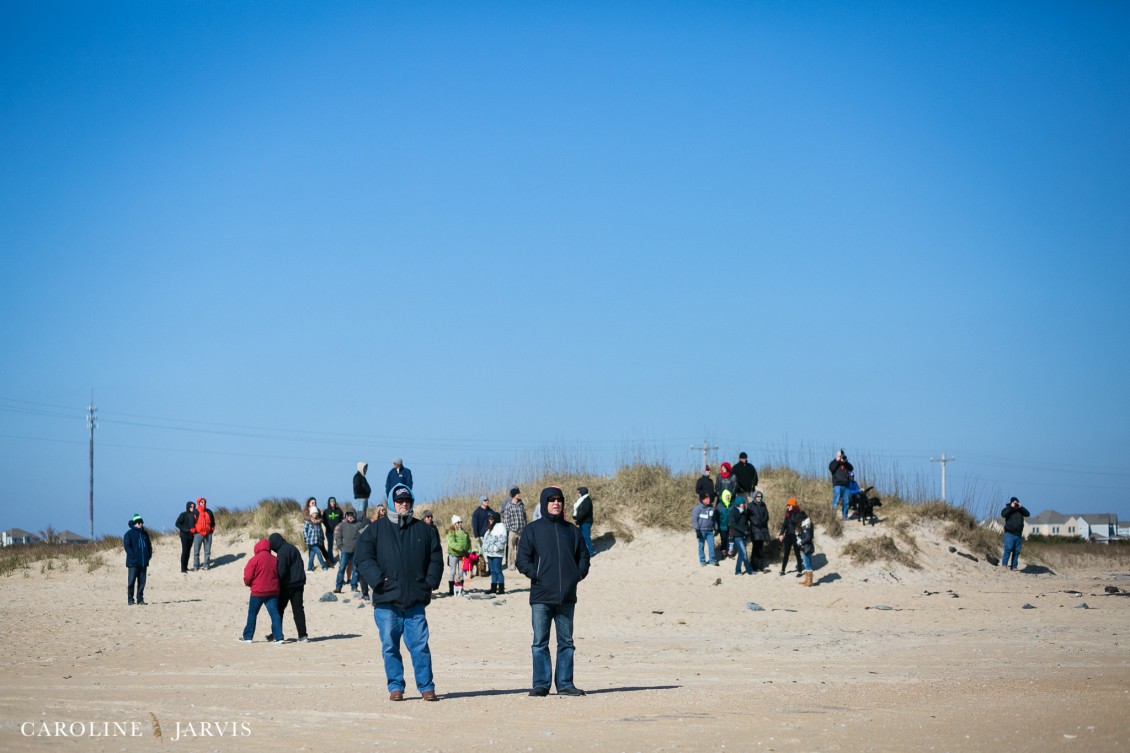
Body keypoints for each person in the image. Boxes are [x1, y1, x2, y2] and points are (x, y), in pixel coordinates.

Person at [354, 483, 444, 702]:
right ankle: (395, 687)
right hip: (386, 599)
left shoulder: (424, 530)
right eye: (399, 500)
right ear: (392, 503)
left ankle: (426, 687)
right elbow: (362, 557)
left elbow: (436, 558)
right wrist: (377, 580)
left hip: (415, 599)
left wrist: (429, 583)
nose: (403, 504)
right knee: (390, 646)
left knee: (420, 646)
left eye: (407, 500)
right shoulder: (376, 529)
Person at [516, 486, 591, 697]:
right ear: (544, 503)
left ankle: (565, 684)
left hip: (566, 596)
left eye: (559, 500)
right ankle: (541, 684)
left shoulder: (572, 531)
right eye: (551, 500)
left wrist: (576, 575)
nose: (556, 503)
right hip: (541, 596)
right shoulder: (532, 530)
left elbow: (584, 557)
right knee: (540, 642)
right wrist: (537, 574)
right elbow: (522, 560)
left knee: (566, 643)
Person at [239, 539, 283, 643]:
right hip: (272, 591)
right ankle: (279, 637)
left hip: (258, 592)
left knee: (252, 614)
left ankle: (248, 637)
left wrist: (249, 584)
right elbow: (280, 574)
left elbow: (248, 576)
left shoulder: (254, 560)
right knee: (274, 614)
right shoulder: (275, 559)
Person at [267, 533, 308, 642]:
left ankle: (275, 634)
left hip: (287, 585)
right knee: (298, 610)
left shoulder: (282, 552)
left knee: (278, 609)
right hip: (299, 583)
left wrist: (276, 582)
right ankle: (302, 635)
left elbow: (281, 571)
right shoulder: (292, 547)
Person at [123, 514, 152, 605]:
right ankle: (130, 600)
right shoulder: (129, 534)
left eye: (141, 522)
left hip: (143, 562)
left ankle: (140, 599)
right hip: (133, 563)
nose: (141, 524)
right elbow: (127, 546)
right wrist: (133, 556)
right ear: (135, 523)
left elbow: (149, 546)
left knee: (142, 582)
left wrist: (148, 556)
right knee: (131, 581)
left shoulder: (145, 534)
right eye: (139, 523)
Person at [333, 508, 364, 594]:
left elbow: (363, 535)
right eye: (348, 515)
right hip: (345, 551)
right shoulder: (342, 525)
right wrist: (340, 546)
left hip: (355, 551)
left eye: (352, 515)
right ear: (346, 516)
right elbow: (338, 536)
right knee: (341, 569)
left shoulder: (359, 524)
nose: (350, 517)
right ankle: (338, 587)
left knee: (355, 570)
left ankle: (354, 587)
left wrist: (360, 547)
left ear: (354, 516)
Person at [1000, 497, 1030, 571]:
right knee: (1008, 549)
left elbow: (1027, 514)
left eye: (1016, 503)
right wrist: (1011, 507)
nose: (1015, 504)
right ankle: (1004, 565)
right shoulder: (1008, 509)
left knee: (1016, 552)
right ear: (1011, 503)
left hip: (1018, 534)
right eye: (1014, 503)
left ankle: (1014, 567)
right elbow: (1003, 514)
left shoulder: (1021, 510)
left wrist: (1021, 507)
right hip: (1009, 533)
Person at [778, 498, 805, 576]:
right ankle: (783, 570)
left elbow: (801, 525)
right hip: (788, 536)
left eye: (789, 505)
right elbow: (784, 525)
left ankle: (799, 571)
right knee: (786, 553)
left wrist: (800, 535)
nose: (787, 507)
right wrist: (781, 534)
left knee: (797, 553)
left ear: (793, 505)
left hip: (795, 536)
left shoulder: (798, 514)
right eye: (787, 505)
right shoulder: (787, 514)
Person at [481, 511, 507, 594]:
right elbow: (486, 539)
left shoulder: (501, 527)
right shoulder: (490, 528)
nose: (490, 520)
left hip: (497, 554)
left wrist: (496, 548)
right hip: (490, 553)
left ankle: (501, 589)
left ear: (495, 519)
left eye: (491, 519)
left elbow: (502, 540)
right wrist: (485, 549)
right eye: (489, 518)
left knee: (498, 570)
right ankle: (493, 588)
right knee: (492, 571)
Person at [726, 497, 754, 575]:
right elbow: (733, 525)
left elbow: (746, 523)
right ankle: (749, 570)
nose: (744, 504)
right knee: (744, 552)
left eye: (744, 503)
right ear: (738, 504)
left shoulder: (744, 512)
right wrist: (743, 531)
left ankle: (737, 571)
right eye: (742, 503)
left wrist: (748, 530)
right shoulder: (733, 512)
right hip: (737, 536)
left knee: (741, 554)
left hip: (745, 535)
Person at [501, 487, 527, 570]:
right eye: (518, 493)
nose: (519, 494)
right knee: (511, 549)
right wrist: (510, 529)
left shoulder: (521, 505)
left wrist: (525, 527)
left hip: (521, 531)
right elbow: (506, 519)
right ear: (514, 495)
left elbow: (524, 517)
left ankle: (520, 564)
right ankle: (511, 565)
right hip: (513, 531)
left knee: (521, 549)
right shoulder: (508, 506)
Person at [445, 516, 471, 597]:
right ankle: (451, 590)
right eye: (458, 522)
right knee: (453, 572)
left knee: (461, 572)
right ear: (454, 523)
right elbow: (452, 543)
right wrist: (461, 549)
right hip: (453, 555)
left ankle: (461, 588)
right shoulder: (451, 532)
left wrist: (468, 551)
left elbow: (468, 542)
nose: (460, 524)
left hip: (462, 555)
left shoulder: (464, 531)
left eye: (460, 522)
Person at [747, 491, 771, 572]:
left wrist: (763, 522)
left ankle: (760, 566)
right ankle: (754, 566)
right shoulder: (750, 505)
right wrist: (756, 523)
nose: (759, 498)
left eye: (760, 497)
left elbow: (766, 516)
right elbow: (749, 516)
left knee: (760, 548)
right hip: (755, 529)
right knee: (755, 548)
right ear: (754, 497)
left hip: (762, 529)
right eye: (757, 496)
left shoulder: (763, 505)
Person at [692, 494, 717, 566]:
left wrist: (716, 528)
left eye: (709, 499)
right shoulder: (697, 509)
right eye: (707, 499)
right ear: (703, 500)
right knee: (701, 546)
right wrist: (697, 530)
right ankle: (702, 561)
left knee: (712, 546)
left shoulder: (711, 508)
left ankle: (712, 560)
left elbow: (714, 519)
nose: (709, 500)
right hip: (701, 531)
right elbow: (694, 520)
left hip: (710, 531)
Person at [829, 450, 855, 521]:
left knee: (846, 502)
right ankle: (833, 516)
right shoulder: (834, 463)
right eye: (841, 456)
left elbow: (851, 468)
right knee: (836, 501)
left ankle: (845, 516)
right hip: (837, 484)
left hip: (846, 485)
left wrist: (845, 461)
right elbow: (831, 468)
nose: (842, 458)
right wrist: (837, 460)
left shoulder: (846, 464)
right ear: (838, 456)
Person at [191, 497, 215, 571]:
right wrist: (193, 531)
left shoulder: (209, 512)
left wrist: (212, 529)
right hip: (198, 534)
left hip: (208, 534)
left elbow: (213, 522)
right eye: (202, 502)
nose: (203, 503)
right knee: (196, 551)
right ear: (199, 503)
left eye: (204, 502)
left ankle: (206, 565)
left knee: (207, 551)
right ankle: (196, 566)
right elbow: (191, 522)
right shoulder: (195, 512)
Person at [174, 501, 196, 574]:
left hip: (191, 536)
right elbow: (177, 524)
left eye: (193, 507)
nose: (192, 508)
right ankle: (183, 568)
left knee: (188, 551)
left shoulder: (195, 515)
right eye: (191, 507)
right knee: (185, 551)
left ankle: (186, 567)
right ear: (188, 507)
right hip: (184, 535)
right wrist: (184, 529)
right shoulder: (183, 514)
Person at [573, 487, 594, 557]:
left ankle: (590, 552)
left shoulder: (586, 500)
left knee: (586, 537)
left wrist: (577, 518)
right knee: (582, 537)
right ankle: (585, 551)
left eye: (579, 492)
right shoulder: (583, 500)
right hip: (583, 521)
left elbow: (585, 512)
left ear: (582, 492)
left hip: (586, 521)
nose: (578, 494)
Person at [797, 513, 815, 587]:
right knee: (807, 563)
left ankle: (809, 581)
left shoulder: (805, 526)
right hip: (808, 546)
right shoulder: (809, 525)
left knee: (807, 564)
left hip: (806, 546)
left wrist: (801, 542)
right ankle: (807, 580)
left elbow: (808, 537)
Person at [323, 497, 343, 565]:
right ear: (329, 503)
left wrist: (338, 527)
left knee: (340, 545)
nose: (333, 503)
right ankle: (331, 560)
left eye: (334, 501)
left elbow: (341, 519)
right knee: (330, 546)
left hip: (338, 532)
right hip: (329, 532)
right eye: (331, 502)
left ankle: (342, 559)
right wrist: (328, 527)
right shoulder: (326, 511)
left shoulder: (339, 510)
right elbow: (324, 521)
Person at [716, 489, 734, 560]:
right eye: (726, 496)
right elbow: (717, 517)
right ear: (723, 496)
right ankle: (723, 551)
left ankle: (730, 552)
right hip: (722, 526)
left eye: (728, 496)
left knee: (731, 539)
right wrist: (716, 527)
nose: (728, 497)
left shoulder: (732, 505)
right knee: (723, 539)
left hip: (731, 526)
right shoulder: (719, 506)